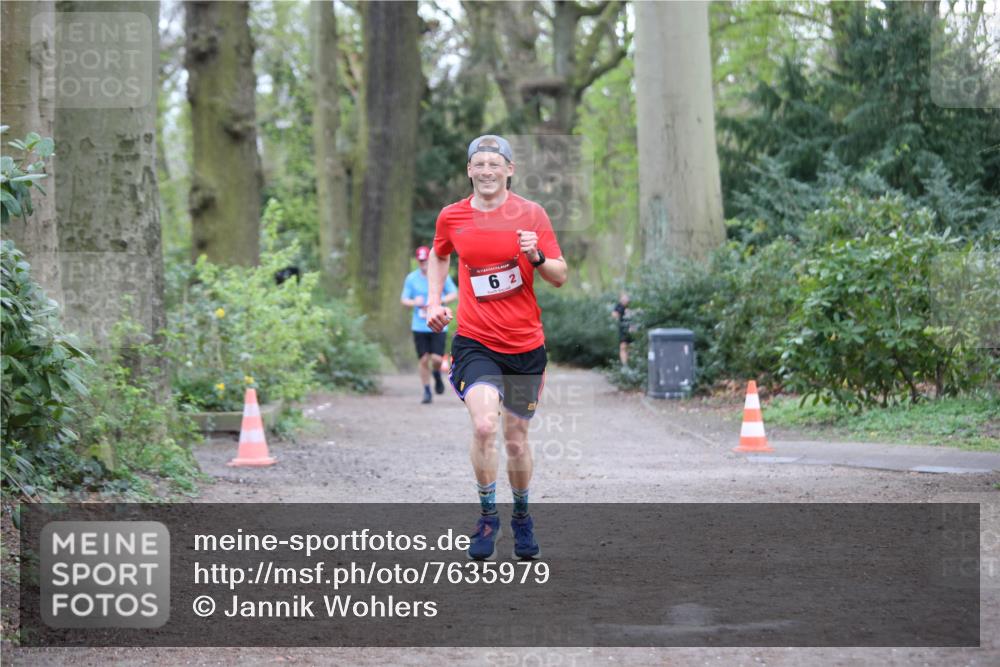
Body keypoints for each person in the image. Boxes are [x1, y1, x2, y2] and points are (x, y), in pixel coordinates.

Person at [425, 135, 568, 561]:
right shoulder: (452, 216)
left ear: (509, 170)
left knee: (516, 439)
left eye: (494, 164)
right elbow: (439, 254)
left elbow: (559, 275)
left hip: (525, 345)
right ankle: (488, 516)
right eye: (479, 164)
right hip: (475, 341)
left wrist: (536, 256)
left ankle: (521, 516)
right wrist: (434, 301)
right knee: (485, 426)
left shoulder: (532, 214)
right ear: (469, 170)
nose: (486, 171)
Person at [401, 245, 458, 404]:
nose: (423, 264)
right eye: (420, 261)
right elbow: (404, 299)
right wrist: (415, 302)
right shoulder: (411, 278)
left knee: (437, 359)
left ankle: (437, 374)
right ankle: (427, 391)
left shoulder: (441, 275)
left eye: (425, 260)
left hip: (438, 323)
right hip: (419, 326)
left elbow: (454, 293)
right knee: (424, 359)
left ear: (430, 260)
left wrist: (440, 300)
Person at [612, 292, 632, 366]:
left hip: (632, 329)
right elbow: (614, 315)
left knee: (631, 348)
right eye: (624, 298)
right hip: (623, 329)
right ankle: (625, 365)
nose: (626, 299)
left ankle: (630, 363)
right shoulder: (619, 306)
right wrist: (623, 311)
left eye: (626, 297)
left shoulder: (631, 306)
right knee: (623, 346)